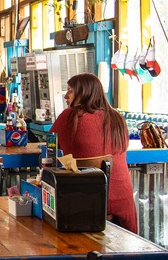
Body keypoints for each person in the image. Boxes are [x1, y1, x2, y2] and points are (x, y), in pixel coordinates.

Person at [49, 73, 137, 233]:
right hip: (122, 204)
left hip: (84, 202)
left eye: (70, 90)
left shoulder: (71, 116)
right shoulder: (117, 118)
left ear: (84, 93)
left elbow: (50, 148)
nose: (65, 96)